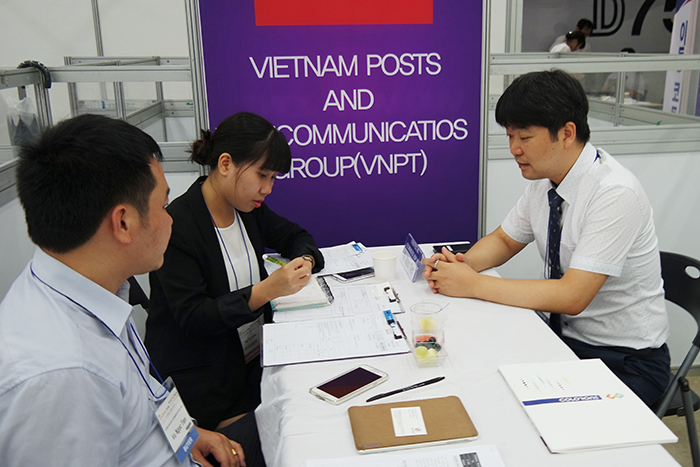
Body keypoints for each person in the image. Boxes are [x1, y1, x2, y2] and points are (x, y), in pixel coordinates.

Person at [0, 114, 245, 466]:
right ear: (124, 222)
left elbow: (133, 409)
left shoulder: (90, 289)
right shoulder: (64, 374)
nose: (170, 219)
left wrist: (188, 435)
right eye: (163, 206)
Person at [422, 70, 671, 408]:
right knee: (475, 382)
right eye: (510, 136)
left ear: (566, 133)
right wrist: (461, 265)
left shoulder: (614, 192)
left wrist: (472, 284)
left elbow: (572, 295)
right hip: (562, 340)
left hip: (624, 361)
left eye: (524, 137)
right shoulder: (545, 181)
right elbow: (505, 240)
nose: (514, 149)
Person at [147, 112, 324, 434]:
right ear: (226, 164)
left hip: (251, 364)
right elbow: (195, 317)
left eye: (274, 178)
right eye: (262, 175)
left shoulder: (248, 209)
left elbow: (296, 236)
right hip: (204, 385)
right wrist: (267, 290)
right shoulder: (179, 226)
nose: (267, 189)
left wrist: (305, 260)